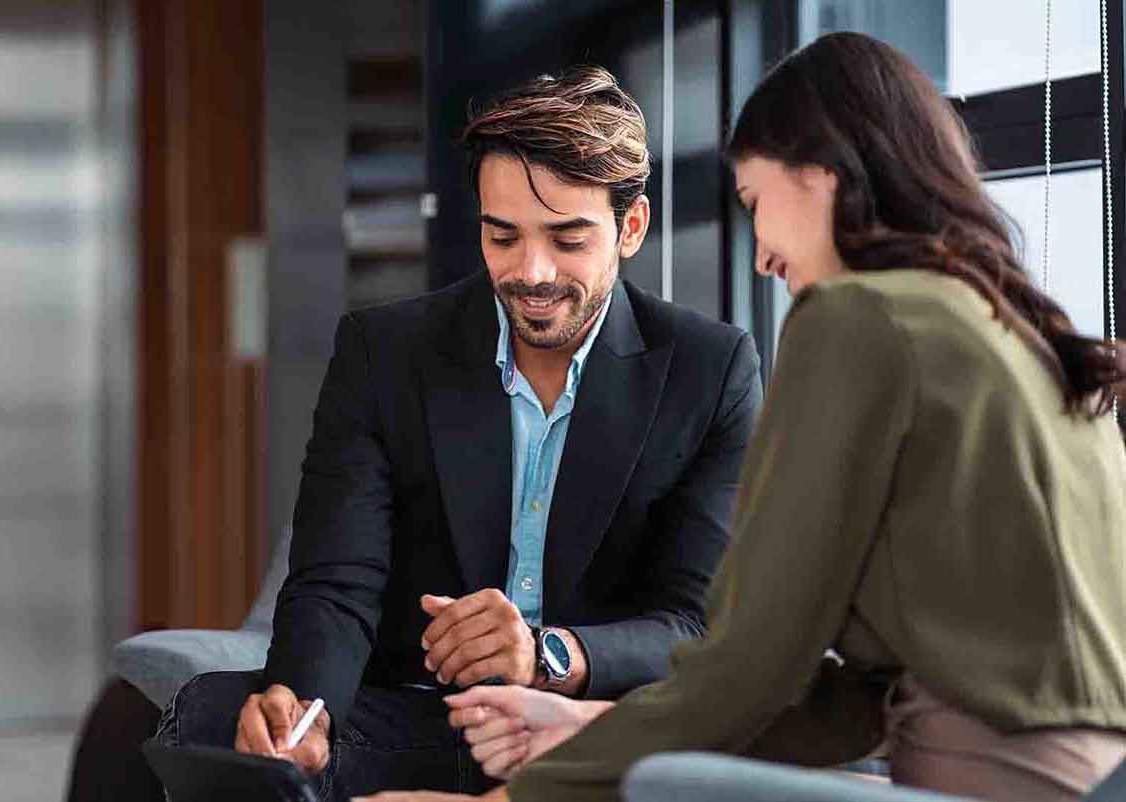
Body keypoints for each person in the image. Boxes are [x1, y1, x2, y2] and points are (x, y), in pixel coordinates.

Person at [357, 32, 1126, 802]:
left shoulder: (856, 318)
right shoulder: (1018, 330)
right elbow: (861, 699)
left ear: (821, 175)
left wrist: (513, 800)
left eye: (755, 202)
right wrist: (591, 731)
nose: (759, 255)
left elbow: (748, 665)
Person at [139, 66, 763, 802]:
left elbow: (696, 623)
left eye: (567, 239)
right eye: (503, 237)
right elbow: (338, 580)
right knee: (210, 716)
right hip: (421, 721)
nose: (531, 272)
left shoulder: (708, 368)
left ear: (630, 228)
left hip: (589, 731)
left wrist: (548, 655)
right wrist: (303, 710)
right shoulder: (385, 351)